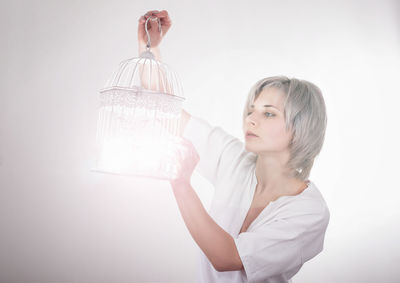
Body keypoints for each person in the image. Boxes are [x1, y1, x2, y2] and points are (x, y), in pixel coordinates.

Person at [138, 10, 330, 283]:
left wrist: (181, 183)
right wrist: (150, 48)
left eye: (269, 113)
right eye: (251, 110)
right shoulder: (235, 160)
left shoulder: (309, 212)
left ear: (300, 129)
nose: (250, 119)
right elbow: (167, 112)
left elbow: (226, 258)